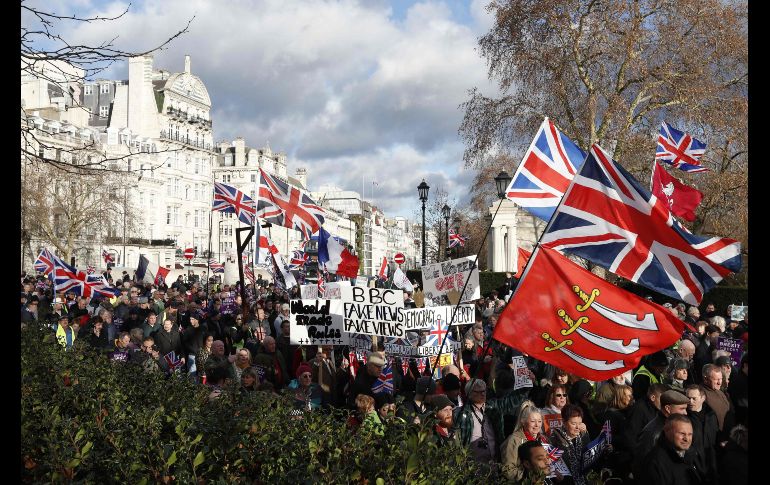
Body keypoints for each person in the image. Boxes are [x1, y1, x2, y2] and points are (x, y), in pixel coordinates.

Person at [454, 377, 530, 463]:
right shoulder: (461, 413)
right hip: (472, 465)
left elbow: (509, 401)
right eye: (478, 392)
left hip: (495, 462)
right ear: (469, 393)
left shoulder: (492, 407)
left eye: (484, 391)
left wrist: (526, 386)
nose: (482, 394)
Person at [632, 389, 690, 479]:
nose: (685, 413)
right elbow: (641, 464)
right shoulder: (652, 433)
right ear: (668, 408)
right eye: (682, 409)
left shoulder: (673, 426)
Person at [549, 404, 608, 485]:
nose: (577, 427)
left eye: (580, 423)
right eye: (573, 423)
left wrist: (603, 449)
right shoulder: (555, 439)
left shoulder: (583, 435)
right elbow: (554, 466)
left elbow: (591, 459)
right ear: (564, 422)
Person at [638, 414, 704, 484]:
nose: (687, 439)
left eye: (690, 434)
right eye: (682, 433)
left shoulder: (692, 455)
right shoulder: (654, 462)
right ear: (666, 431)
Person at [501, 401, 548, 480]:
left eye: (539, 421)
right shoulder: (513, 440)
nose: (537, 425)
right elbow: (508, 471)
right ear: (523, 422)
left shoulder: (543, 439)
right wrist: (531, 478)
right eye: (533, 421)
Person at [701, 364, 734, 436]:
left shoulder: (719, 391)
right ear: (705, 379)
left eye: (721, 378)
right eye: (716, 379)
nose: (720, 382)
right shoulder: (701, 395)